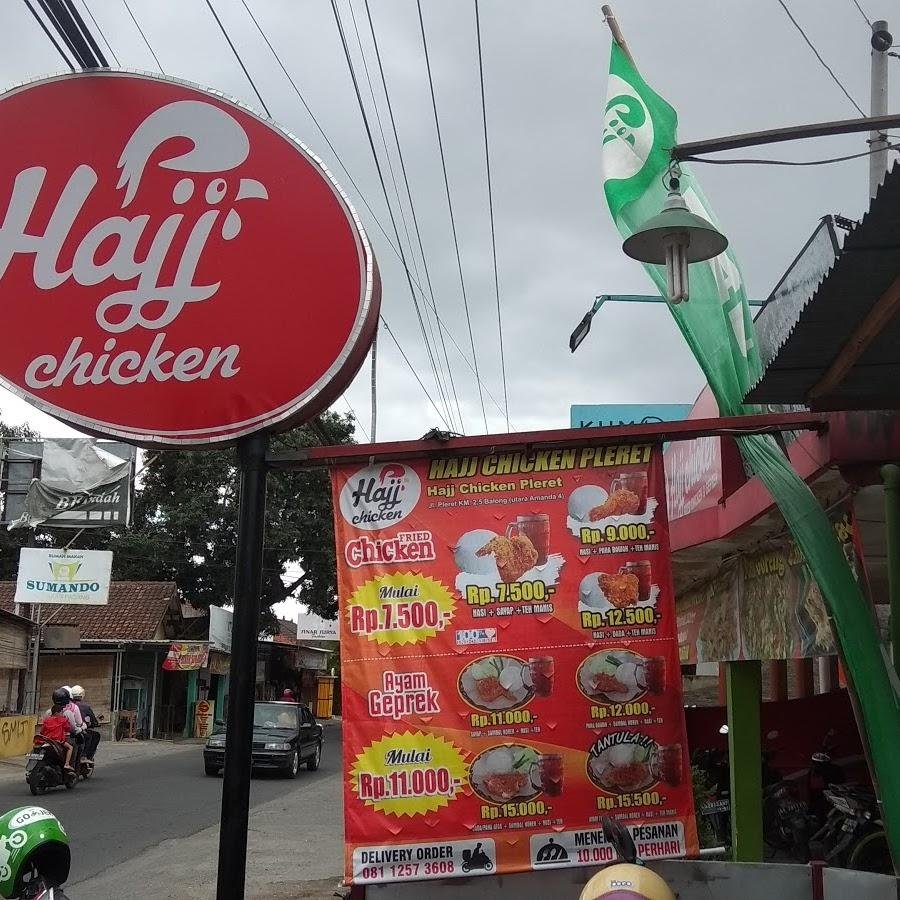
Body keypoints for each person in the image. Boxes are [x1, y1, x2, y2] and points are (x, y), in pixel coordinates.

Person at [40, 690, 75, 772]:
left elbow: (42, 731)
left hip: (47, 740)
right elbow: (68, 728)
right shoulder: (64, 718)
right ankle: (67, 764)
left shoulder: (47, 718)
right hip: (58, 741)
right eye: (61, 712)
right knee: (70, 747)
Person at [70, 685, 100, 763]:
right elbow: (91, 720)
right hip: (77, 729)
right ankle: (84, 756)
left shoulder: (66, 706)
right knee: (93, 736)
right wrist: (93, 723)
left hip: (67, 729)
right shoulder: (84, 707)